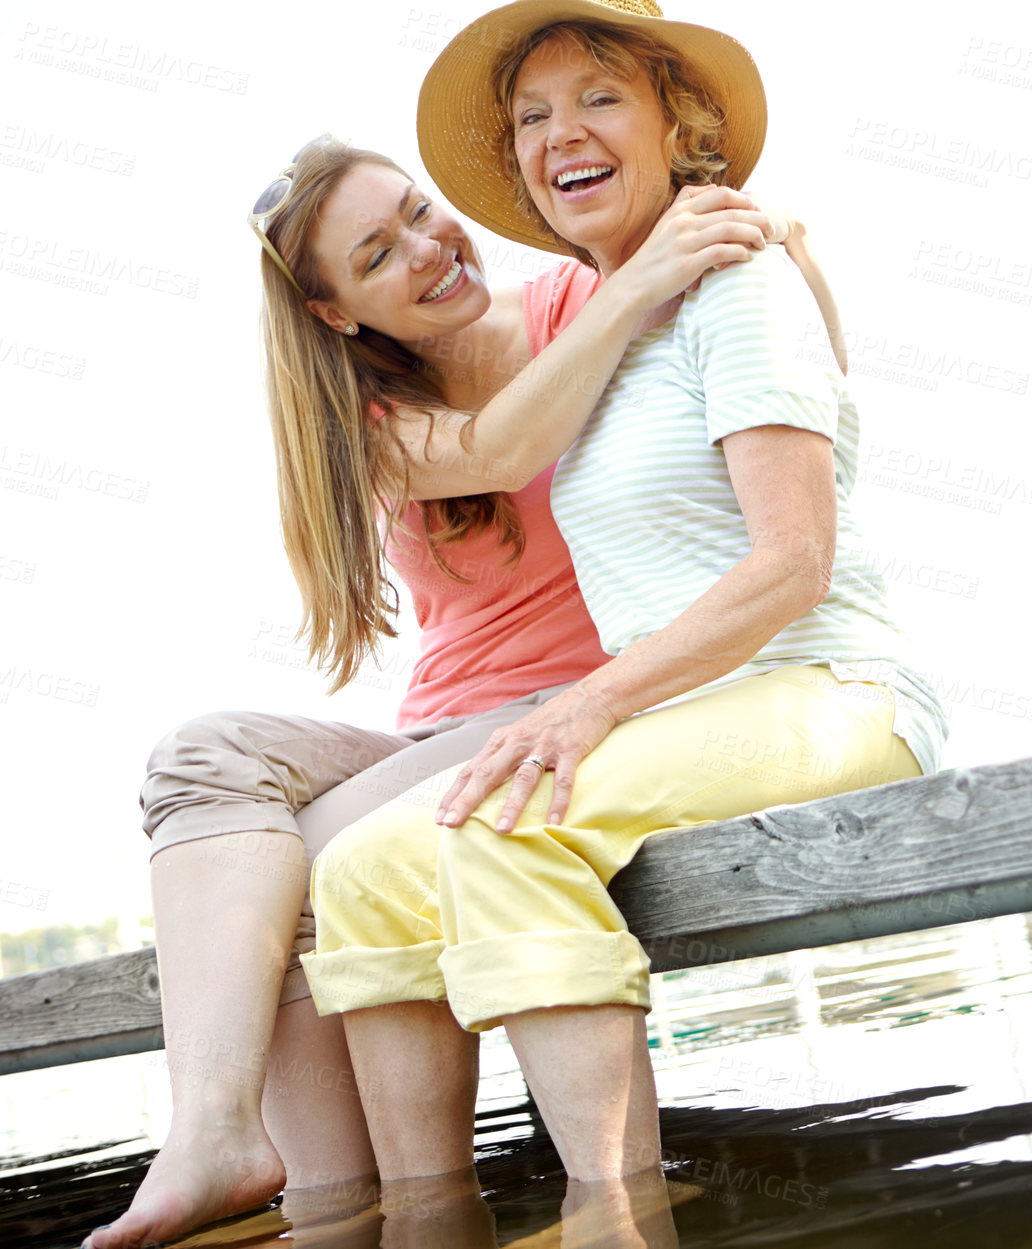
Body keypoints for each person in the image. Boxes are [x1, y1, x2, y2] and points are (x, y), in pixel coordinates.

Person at [82, 132, 846, 1249]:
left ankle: (337, 1206)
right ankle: (218, 1134)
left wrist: (781, 243)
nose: (429, 249)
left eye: (419, 211)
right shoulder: (372, 427)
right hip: (447, 727)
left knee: (312, 872)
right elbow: (498, 446)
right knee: (202, 754)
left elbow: (794, 356)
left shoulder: (572, 301)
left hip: (591, 701)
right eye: (380, 254)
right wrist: (631, 283)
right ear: (339, 313)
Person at [299, 0, 947, 1219]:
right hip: (697, 715)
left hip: (833, 691)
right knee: (358, 875)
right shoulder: (595, 333)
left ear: (673, 120)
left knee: (504, 822)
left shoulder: (734, 281)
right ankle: (424, 1223)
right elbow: (491, 436)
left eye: (599, 98)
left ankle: (615, 1213)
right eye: (533, 117)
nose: (563, 136)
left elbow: (792, 563)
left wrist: (584, 706)